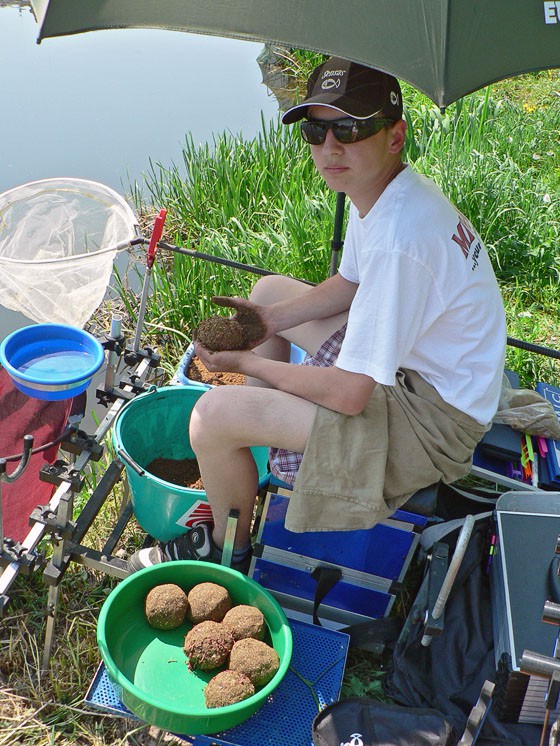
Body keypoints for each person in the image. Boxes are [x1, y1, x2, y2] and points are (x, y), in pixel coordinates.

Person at [129, 56, 506, 574]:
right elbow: (349, 284)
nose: (330, 147)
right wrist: (268, 321)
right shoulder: (382, 192)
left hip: (432, 417)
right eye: (316, 129)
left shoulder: (401, 241)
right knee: (270, 292)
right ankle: (250, 458)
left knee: (209, 417)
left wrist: (251, 364)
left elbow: (351, 394)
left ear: (394, 136)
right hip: (426, 370)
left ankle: (224, 546)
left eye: (350, 129)